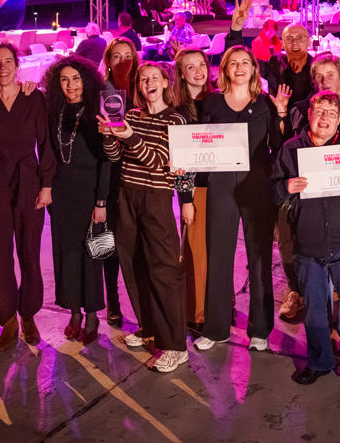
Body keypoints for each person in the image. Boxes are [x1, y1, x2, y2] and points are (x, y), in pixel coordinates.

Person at [272, 91, 340, 395]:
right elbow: (272, 191)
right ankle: (319, 363)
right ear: (309, 114)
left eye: (332, 113)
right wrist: (285, 187)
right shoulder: (291, 149)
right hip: (308, 246)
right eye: (319, 111)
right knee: (316, 309)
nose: (325, 118)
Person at [99, 62, 190, 372]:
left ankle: (175, 345)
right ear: (138, 87)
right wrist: (111, 135)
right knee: (134, 264)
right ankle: (149, 327)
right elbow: (114, 157)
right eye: (143, 79)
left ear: (165, 83)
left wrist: (128, 136)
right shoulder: (131, 116)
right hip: (127, 195)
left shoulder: (176, 120)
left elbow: (157, 161)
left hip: (155, 199)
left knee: (164, 270)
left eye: (155, 78)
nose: (148, 82)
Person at [193, 46, 284, 352]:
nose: (240, 67)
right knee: (218, 254)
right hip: (220, 184)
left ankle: (260, 329)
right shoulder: (213, 102)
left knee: (259, 257)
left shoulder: (265, 104)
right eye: (234, 63)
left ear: (254, 70)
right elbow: (199, 142)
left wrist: (281, 113)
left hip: (255, 185)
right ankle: (216, 327)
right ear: (226, 70)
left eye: (246, 62)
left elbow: (279, 144)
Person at [0, 41, 56, 352]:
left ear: (17, 65)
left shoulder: (33, 98)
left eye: (8, 61)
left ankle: (28, 314)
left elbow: (46, 142)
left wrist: (47, 184)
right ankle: (6, 318)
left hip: (30, 181)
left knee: (29, 253)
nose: (3, 67)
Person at [43, 56, 111, 344]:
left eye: (76, 78)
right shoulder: (53, 109)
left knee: (92, 254)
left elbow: (108, 159)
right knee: (66, 253)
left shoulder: (98, 109)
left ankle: (93, 314)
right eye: (64, 79)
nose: (70, 85)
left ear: (87, 80)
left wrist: (101, 201)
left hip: (91, 191)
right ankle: (74, 311)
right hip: (62, 193)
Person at [224, 0, 340, 115]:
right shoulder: (274, 66)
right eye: (289, 39)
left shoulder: (321, 67)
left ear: (309, 42)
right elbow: (236, 59)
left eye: (300, 38)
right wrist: (236, 28)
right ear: (281, 44)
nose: (295, 43)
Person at [172, 48, 217, 330]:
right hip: (196, 189)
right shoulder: (178, 111)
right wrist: (186, 198)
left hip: (221, 187)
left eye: (202, 64)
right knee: (196, 254)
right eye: (191, 67)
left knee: (218, 252)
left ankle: (219, 304)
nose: (199, 70)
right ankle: (197, 313)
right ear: (181, 73)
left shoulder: (217, 101)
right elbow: (181, 162)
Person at [100, 37, 140, 326]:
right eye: (117, 56)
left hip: (140, 174)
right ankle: (111, 300)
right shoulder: (103, 93)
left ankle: (141, 303)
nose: (123, 60)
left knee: (138, 242)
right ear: (108, 61)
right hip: (109, 174)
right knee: (107, 240)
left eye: (128, 55)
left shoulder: (143, 89)